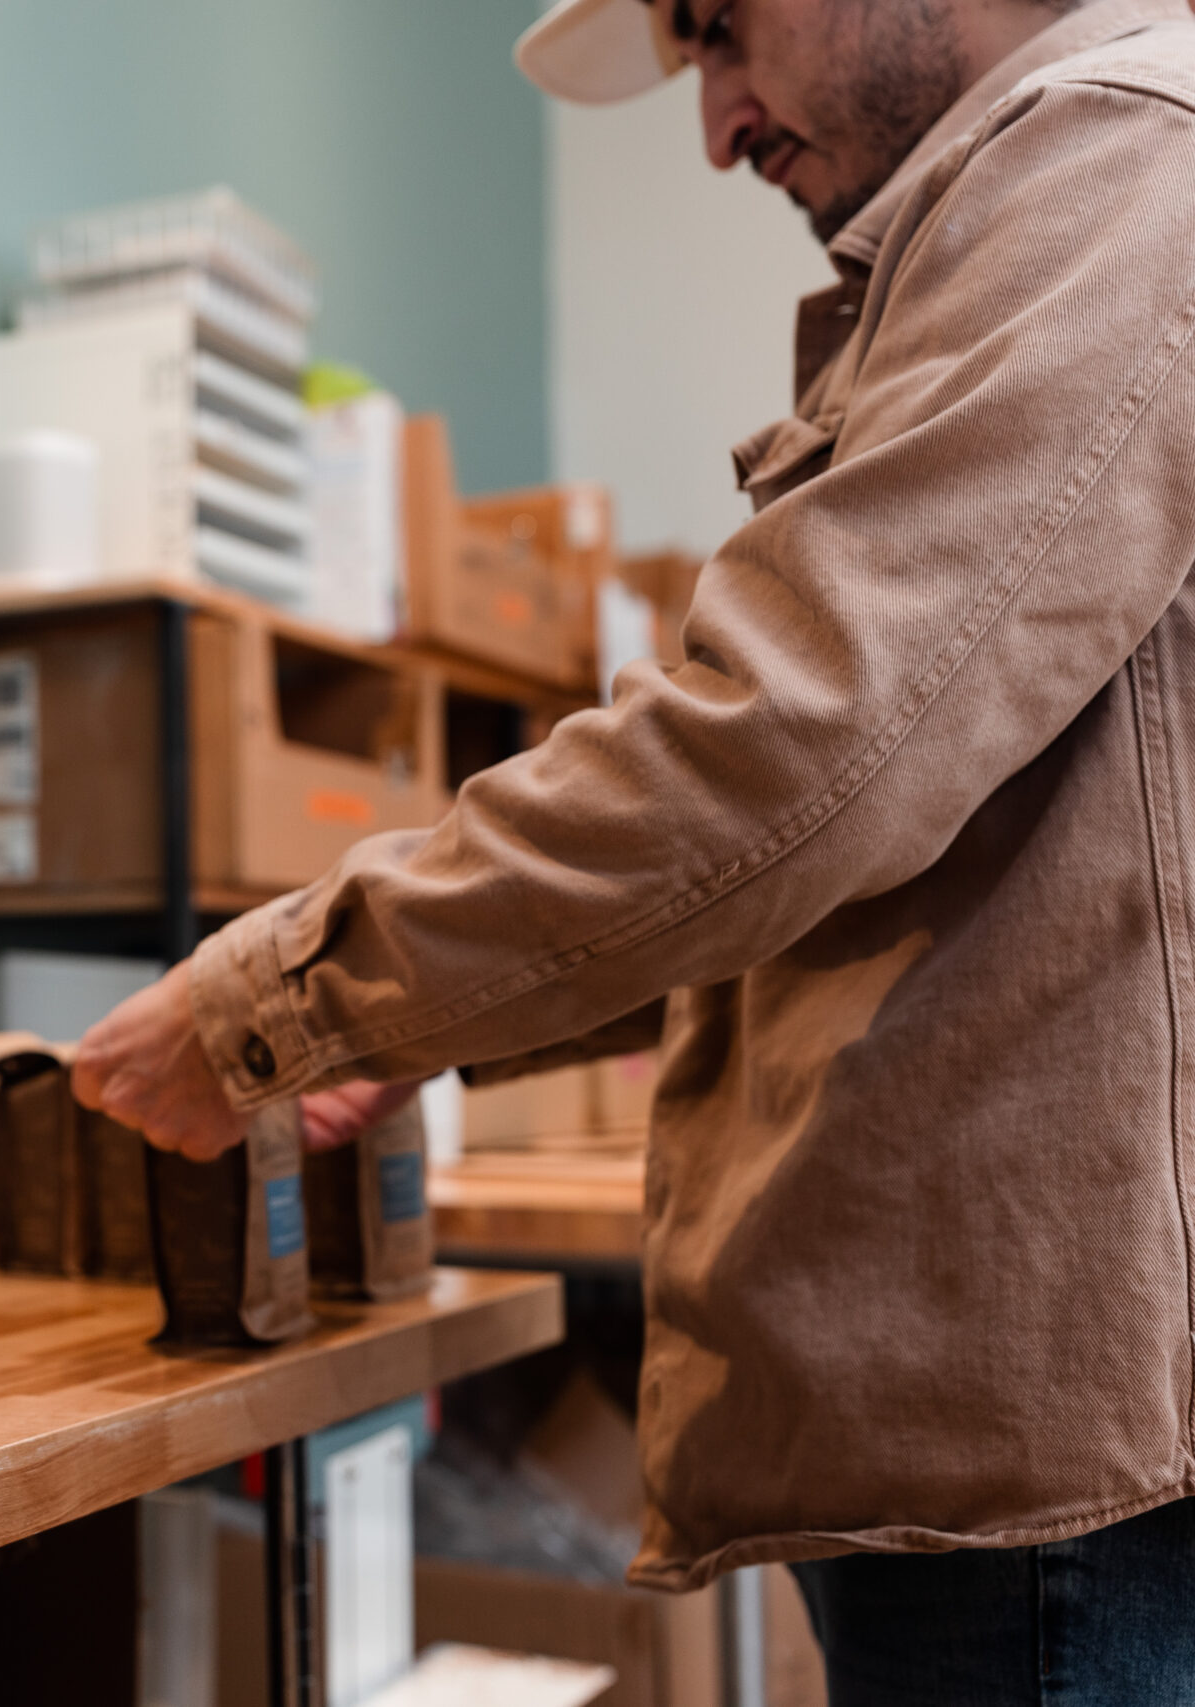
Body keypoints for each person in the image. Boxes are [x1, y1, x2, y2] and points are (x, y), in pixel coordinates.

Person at [69, 0, 1195, 1698]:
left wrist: (280, 996)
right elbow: (894, 826)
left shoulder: (1120, 147)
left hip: (1040, 1491)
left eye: (716, 28)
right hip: (1020, 1453)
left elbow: (797, 748)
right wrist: (409, 1028)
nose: (717, 125)